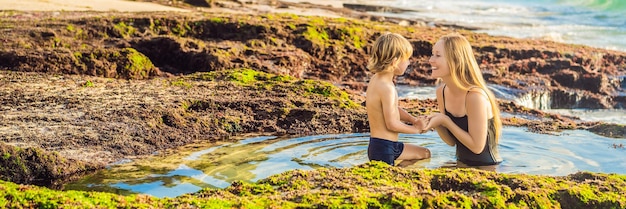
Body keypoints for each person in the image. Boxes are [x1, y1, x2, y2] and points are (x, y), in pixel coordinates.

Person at [424, 33, 502, 169]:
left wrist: (445, 121)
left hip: (487, 168)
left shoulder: (475, 96)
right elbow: (451, 141)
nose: (431, 60)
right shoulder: (441, 92)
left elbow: (477, 147)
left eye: (438, 55)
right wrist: (436, 123)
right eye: (432, 54)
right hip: (460, 164)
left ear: (456, 60)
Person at [365, 32, 431, 166]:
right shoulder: (387, 88)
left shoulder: (377, 80)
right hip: (383, 148)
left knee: (424, 153)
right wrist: (416, 130)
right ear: (395, 61)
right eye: (406, 59)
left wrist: (413, 120)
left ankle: (399, 171)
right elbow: (392, 124)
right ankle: (397, 173)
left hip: (385, 146)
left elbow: (393, 109)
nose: (408, 63)